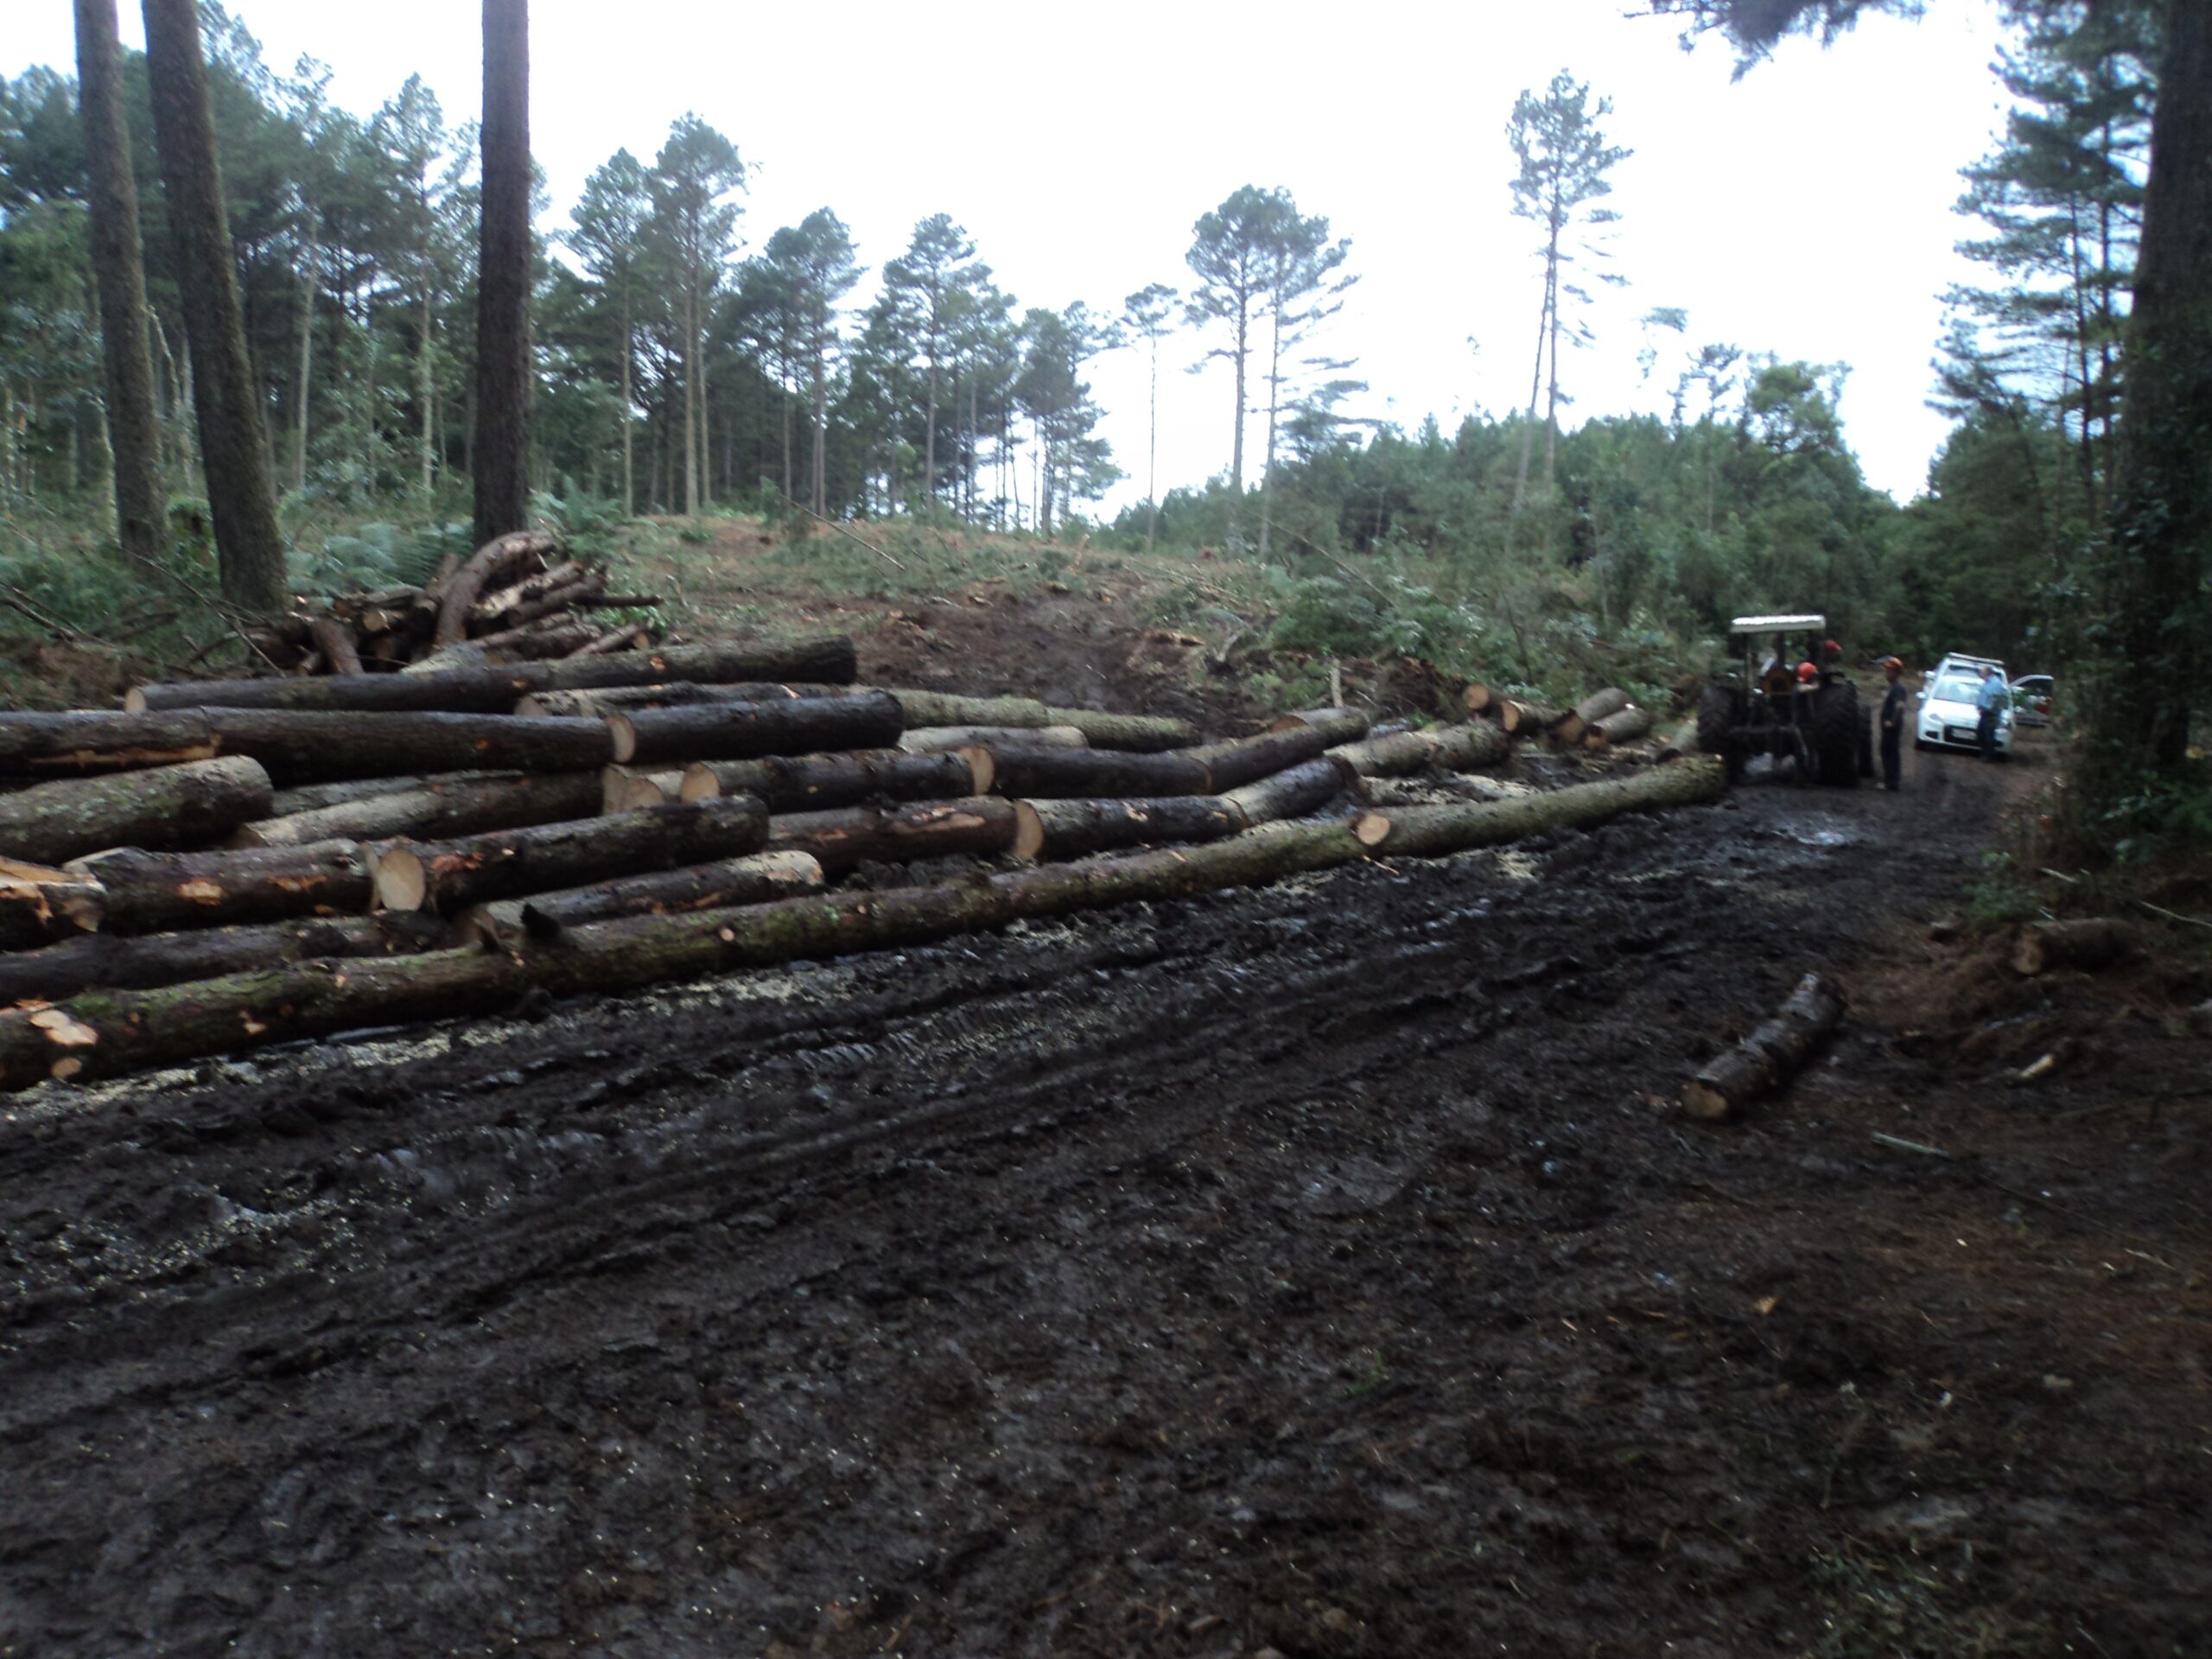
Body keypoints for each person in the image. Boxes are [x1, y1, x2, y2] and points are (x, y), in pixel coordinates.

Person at [1878, 656, 1907, 790]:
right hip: (1888, 728)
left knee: (1890, 753)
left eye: (1889, 671)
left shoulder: (1898, 688)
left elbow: (1900, 706)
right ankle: (1889, 781)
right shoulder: (1893, 687)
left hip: (1892, 728)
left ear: (1896, 673)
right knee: (1887, 752)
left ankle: (1891, 782)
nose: (1886, 673)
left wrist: (1892, 722)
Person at [1974, 663, 2004, 760]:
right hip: (1984, 712)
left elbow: (1995, 699)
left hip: (1991, 713)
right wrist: (1979, 707)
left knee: (1988, 735)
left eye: (1982, 672)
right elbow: (1983, 696)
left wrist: (1987, 708)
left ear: (1987, 673)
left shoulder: (1996, 683)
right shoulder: (1987, 682)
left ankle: (1989, 755)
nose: (1980, 674)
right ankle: (1986, 753)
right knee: (1981, 732)